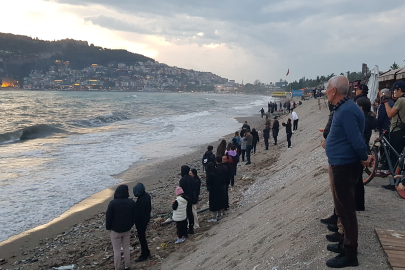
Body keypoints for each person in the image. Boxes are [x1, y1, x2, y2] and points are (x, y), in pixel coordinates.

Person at [324, 75, 373, 268]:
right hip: (341, 164)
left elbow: (356, 139)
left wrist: (365, 157)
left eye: (328, 88)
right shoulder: (344, 107)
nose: (326, 91)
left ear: (334, 91)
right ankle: (345, 244)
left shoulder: (346, 110)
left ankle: (350, 254)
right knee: (343, 209)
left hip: (344, 166)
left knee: (347, 212)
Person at [106, 185, 136, 270]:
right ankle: (127, 266)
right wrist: (130, 225)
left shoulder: (112, 203)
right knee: (126, 248)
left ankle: (117, 267)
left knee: (117, 250)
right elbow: (134, 216)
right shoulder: (131, 203)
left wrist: (108, 228)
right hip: (127, 229)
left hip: (115, 230)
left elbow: (108, 217)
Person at [382, 80, 405, 190]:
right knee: (400, 156)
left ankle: (395, 182)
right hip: (403, 130)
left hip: (396, 131)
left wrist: (386, 103)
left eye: (394, 90)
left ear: (399, 90)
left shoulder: (401, 100)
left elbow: (390, 114)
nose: (393, 93)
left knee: (394, 157)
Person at [133, 183, 152, 262]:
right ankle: (146, 252)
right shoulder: (147, 196)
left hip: (141, 221)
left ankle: (145, 254)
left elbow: (139, 213)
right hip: (146, 219)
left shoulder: (141, 200)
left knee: (142, 237)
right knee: (142, 237)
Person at [179, 165, 195, 234]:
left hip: (185, 198)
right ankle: (191, 227)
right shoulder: (191, 178)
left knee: (184, 214)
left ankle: (185, 229)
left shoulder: (182, 180)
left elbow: (181, 191)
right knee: (190, 213)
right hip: (191, 197)